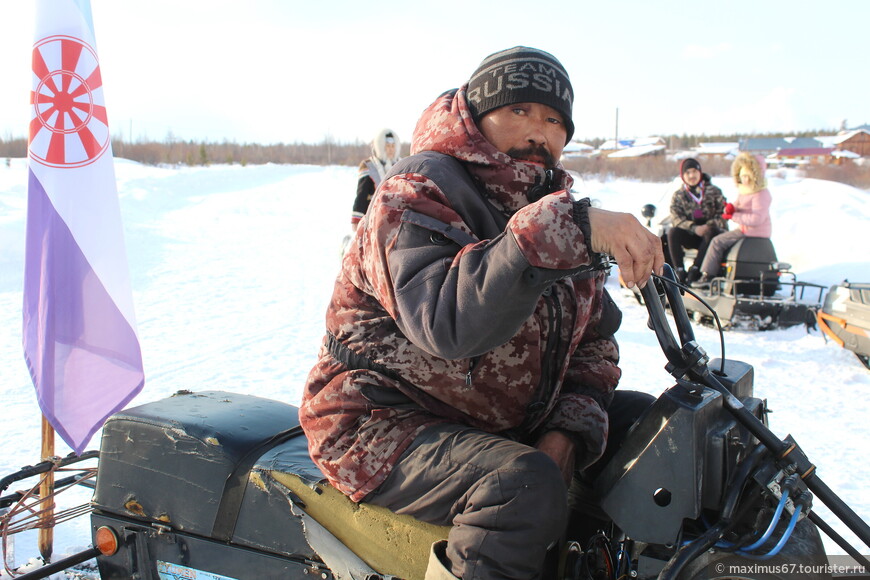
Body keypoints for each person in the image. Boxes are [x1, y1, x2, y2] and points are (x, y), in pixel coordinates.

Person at [300, 46, 663, 580]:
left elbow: (595, 341)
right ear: (476, 114)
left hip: (499, 418)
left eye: (555, 119)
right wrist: (561, 228)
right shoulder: (417, 190)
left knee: (657, 430)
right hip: (377, 421)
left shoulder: (554, 204)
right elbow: (446, 323)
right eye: (520, 111)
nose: (540, 131)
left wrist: (568, 430)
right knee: (520, 483)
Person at [692, 153, 772, 287]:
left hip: (753, 231)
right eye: (742, 176)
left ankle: (708, 275)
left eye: (747, 176)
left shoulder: (761, 194)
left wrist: (733, 216)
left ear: (755, 176)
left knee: (717, 242)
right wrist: (730, 208)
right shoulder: (746, 191)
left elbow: (757, 219)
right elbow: (738, 205)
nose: (744, 179)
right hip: (746, 229)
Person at [666, 157, 727, 284]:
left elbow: (723, 213)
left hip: (711, 236)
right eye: (687, 173)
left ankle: (696, 269)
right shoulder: (679, 195)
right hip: (692, 234)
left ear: (700, 172)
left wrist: (707, 226)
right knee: (673, 232)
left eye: (694, 171)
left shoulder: (714, 191)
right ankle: (679, 271)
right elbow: (676, 218)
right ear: (683, 176)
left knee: (712, 231)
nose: (692, 175)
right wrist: (694, 228)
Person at [351, 128, 402, 232]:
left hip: (397, 219)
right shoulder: (369, 166)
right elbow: (362, 194)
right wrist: (357, 221)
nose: (390, 149)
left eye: (393, 146)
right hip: (373, 219)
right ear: (380, 147)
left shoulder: (401, 165)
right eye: (387, 146)